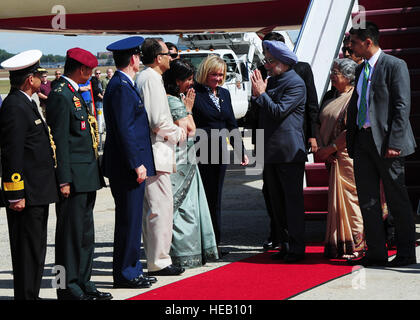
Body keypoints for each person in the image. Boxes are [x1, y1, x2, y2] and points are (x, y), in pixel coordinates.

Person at [346, 22, 417, 267]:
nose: (350, 46)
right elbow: (356, 105)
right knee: (367, 199)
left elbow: (401, 106)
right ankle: (376, 252)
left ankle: (406, 253)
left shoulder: (395, 65)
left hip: (388, 143)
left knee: (397, 200)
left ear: (368, 42)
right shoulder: (360, 70)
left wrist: (395, 142)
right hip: (364, 141)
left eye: (354, 42)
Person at [46, 47, 112, 300]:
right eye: (90, 71)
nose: (92, 75)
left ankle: (83, 281)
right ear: (82, 69)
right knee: (68, 238)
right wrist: (63, 179)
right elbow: (59, 141)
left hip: (86, 176)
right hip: (72, 178)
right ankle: (67, 287)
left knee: (85, 236)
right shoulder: (61, 95)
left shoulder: (74, 92)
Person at [0, 50, 59, 300]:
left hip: (37, 193)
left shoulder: (26, 102)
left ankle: (31, 295)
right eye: (37, 75)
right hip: (26, 196)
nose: (40, 79)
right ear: (28, 80)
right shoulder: (15, 106)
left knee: (35, 250)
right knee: (27, 251)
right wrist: (15, 195)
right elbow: (11, 154)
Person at [103, 36, 157, 288]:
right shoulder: (122, 87)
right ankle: (126, 273)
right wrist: (137, 163)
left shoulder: (124, 84)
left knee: (133, 222)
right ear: (134, 58)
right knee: (129, 222)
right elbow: (125, 130)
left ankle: (132, 269)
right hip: (127, 168)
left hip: (127, 165)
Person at [251, 40, 307, 263]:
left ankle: (296, 248)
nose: (267, 65)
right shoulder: (272, 81)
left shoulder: (295, 83)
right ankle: (284, 244)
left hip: (288, 152)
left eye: (270, 61)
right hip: (271, 151)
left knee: (292, 203)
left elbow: (278, 111)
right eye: (266, 60)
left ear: (283, 63)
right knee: (277, 203)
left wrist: (261, 95)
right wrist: (259, 95)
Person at [135, 38, 187, 276]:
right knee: (160, 209)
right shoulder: (151, 79)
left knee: (158, 209)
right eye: (168, 54)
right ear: (158, 58)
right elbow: (158, 121)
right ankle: (159, 260)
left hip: (156, 152)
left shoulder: (150, 78)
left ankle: (158, 258)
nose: (171, 58)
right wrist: (179, 132)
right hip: (156, 152)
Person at [163, 58, 219, 268]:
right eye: (188, 79)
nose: (192, 83)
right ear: (177, 81)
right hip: (180, 161)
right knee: (184, 210)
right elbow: (191, 131)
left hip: (182, 159)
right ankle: (184, 253)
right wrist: (188, 109)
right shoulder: (174, 101)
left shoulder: (169, 98)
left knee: (185, 209)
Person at [193, 55, 249, 254]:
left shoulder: (224, 93)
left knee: (215, 198)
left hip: (219, 153)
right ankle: (200, 244)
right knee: (202, 199)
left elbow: (231, 125)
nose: (217, 78)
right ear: (204, 73)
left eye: (220, 75)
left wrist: (240, 151)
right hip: (199, 152)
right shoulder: (195, 93)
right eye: (213, 74)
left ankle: (214, 243)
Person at [315, 58, 365, 259]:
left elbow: (350, 128)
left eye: (336, 72)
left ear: (348, 77)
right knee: (337, 202)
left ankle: (359, 245)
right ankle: (343, 244)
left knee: (352, 201)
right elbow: (318, 123)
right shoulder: (330, 96)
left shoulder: (355, 97)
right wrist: (322, 148)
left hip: (347, 156)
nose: (332, 75)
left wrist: (332, 148)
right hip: (331, 157)